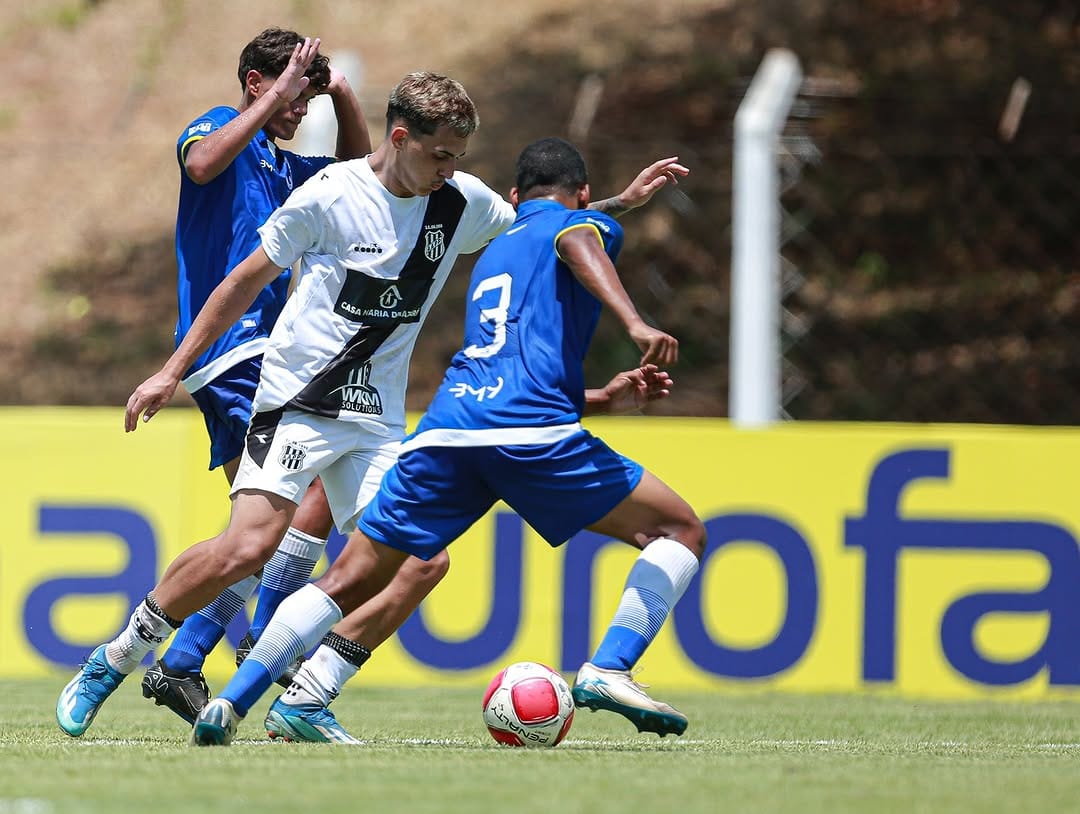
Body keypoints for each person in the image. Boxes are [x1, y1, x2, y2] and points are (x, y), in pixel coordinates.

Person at [56, 71, 688, 743]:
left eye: (459, 160)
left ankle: (308, 695)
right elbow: (240, 283)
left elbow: (544, 232)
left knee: (421, 562)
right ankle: (115, 657)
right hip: (297, 403)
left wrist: (619, 202)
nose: (450, 171)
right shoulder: (329, 194)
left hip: (376, 422)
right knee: (249, 546)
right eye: (440, 155)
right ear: (400, 137)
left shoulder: (462, 201)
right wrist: (168, 373)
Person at [189, 136, 706, 747]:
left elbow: (528, 326)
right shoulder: (577, 230)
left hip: (449, 430)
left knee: (353, 574)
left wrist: (599, 397)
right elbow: (576, 238)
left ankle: (245, 699)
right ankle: (611, 666)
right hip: (530, 432)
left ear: (514, 199)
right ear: (582, 196)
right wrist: (636, 320)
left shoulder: (497, 247)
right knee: (679, 531)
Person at [130, 27, 450, 737]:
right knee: (294, 509)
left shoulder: (282, 164)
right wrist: (283, 88)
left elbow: (356, 169)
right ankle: (229, 652)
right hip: (231, 350)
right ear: (254, 83)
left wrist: (337, 91)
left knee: (265, 531)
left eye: (304, 103)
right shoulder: (217, 129)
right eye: (291, 99)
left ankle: (187, 656)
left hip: (277, 358)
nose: (299, 113)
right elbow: (205, 165)